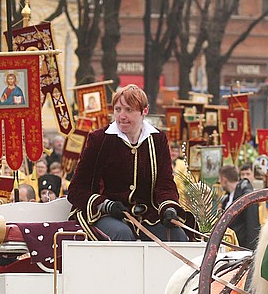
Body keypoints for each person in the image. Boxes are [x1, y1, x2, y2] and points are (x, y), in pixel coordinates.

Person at [67, 84, 186, 242]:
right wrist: (105, 204)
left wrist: (168, 207)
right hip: (104, 214)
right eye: (117, 109)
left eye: (128, 110)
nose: (121, 116)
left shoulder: (158, 139)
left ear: (144, 111)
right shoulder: (100, 139)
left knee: (176, 235)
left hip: (147, 216)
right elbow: (77, 189)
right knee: (122, 234)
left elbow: (164, 184)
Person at [218, 164, 260, 249]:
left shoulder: (246, 196)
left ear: (224, 179)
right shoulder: (227, 198)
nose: (219, 182)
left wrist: (250, 250)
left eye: (219, 179)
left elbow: (252, 224)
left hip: (242, 246)